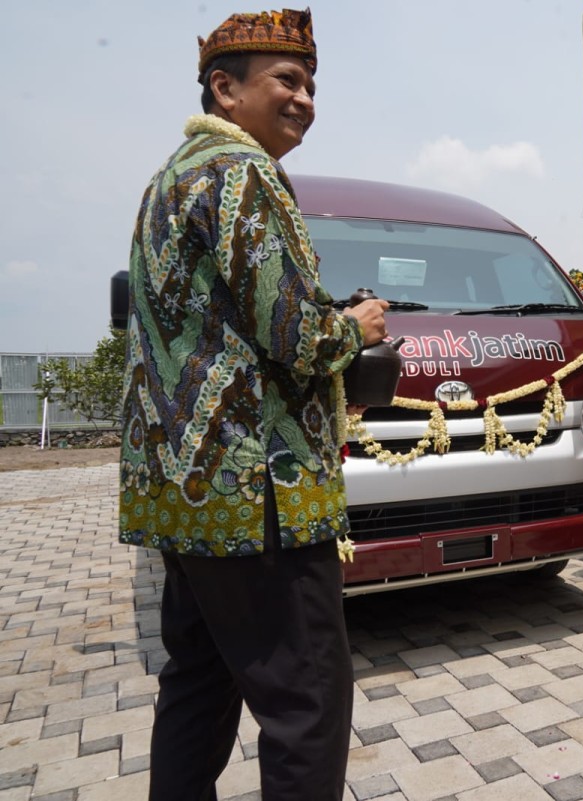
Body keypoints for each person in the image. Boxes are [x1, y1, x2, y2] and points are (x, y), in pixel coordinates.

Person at [118, 9, 389, 800]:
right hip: (254, 488)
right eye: (288, 81)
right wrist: (357, 324)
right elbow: (297, 335)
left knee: (200, 679)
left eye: (310, 85)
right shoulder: (241, 173)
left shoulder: (168, 178)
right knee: (306, 696)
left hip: (183, 490)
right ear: (224, 90)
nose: (305, 98)